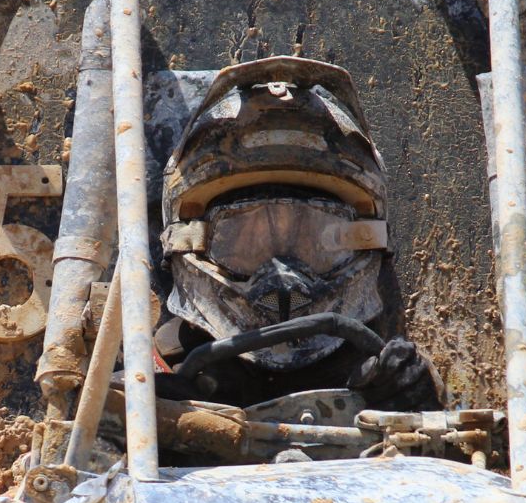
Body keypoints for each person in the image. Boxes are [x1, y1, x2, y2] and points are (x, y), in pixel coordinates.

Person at [153, 57, 439, 412]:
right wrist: (159, 436)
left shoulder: (386, 377)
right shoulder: (151, 375)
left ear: (366, 240)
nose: (283, 277)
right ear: (190, 243)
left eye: (314, 241)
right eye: (246, 241)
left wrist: (419, 420)